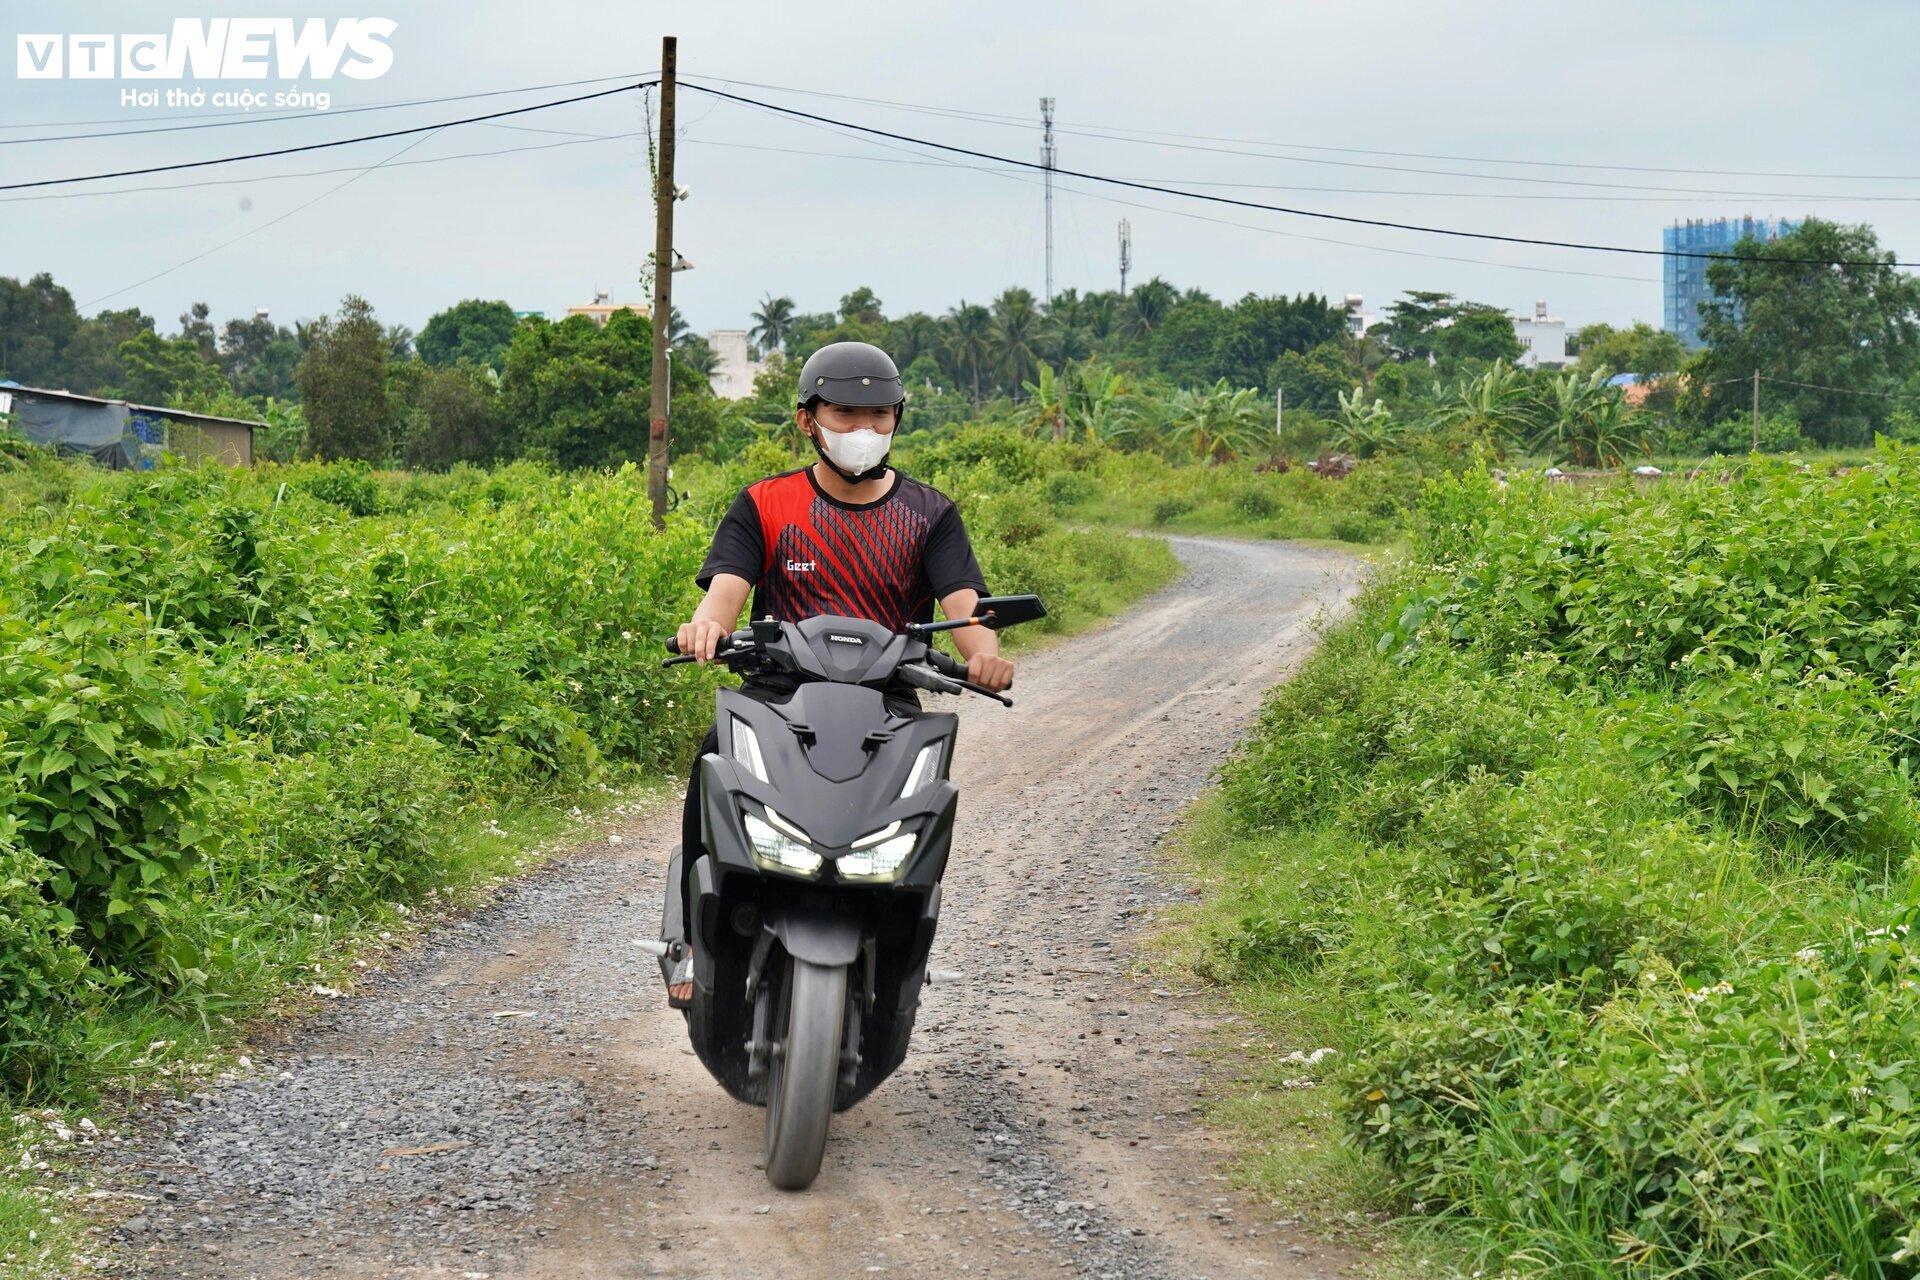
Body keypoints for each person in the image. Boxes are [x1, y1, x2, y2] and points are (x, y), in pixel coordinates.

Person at [666, 341, 1013, 1004]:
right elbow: (726, 592)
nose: (864, 430)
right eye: (847, 412)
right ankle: (690, 944)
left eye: (880, 415)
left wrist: (983, 656)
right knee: (711, 760)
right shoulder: (765, 505)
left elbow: (965, 607)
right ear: (807, 419)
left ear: (898, 419)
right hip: (777, 697)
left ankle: (903, 950)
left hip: (888, 710)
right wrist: (707, 624)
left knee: (926, 803)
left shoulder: (929, 515)